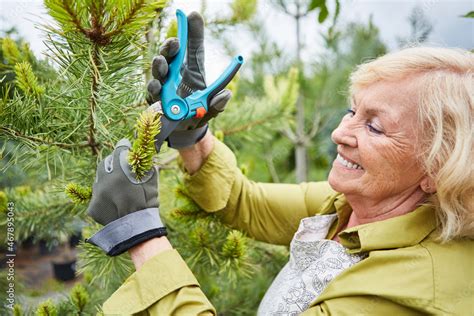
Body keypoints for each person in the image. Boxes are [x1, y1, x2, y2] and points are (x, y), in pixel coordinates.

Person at [85, 12, 474, 315]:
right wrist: (192, 137)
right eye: (351, 110)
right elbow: (246, 203)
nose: (340, 134)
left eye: (374, 127)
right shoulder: (347, 208)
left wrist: (139, 234)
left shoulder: (409, 288)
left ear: (438, 169)